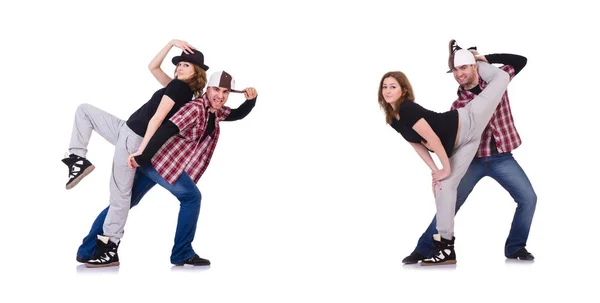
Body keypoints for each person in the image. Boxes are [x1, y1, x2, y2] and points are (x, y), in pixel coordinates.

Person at [79, 70, 257, 267]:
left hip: (160, 162)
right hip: (158, 162)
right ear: (208, 89)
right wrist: (142, 156)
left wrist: (251, 101)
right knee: (191, 197)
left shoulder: (214, 110)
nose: (220, 96)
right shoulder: (196, 108)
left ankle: (88, 250)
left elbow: (237, 114)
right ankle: (182, 252)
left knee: (126, 202)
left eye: (225, 92)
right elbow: (167, 129)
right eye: (216, 89)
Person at [63, 39, 208, 267]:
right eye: (179, 64)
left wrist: (142, 151)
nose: (180, 67)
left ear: (196, 72)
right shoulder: (177, 87)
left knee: (120, 197)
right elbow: (152, 67)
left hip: (135, 139)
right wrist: (171, 44)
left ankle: (110, 248)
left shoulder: (179, 88)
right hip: (125, 129)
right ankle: (77, 158)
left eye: (186, 65)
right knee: (85, 111)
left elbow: (157, 119)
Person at [401, 41, 536, 264]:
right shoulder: (458, 104)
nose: (459, 73)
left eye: (463, 67)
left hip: (501, 156)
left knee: (528, 198)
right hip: (472, 161)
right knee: (448, 203)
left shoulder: (496, 81)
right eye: (455, 70)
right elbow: (452, 140)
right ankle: (424, 248)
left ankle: (515, 248)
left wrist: (485, 58)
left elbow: (520, 61)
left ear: (474, 66)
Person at [378, 52, 510, 265]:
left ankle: (472, 59)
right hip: (465, 143)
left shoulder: (407, 108)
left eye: (393, 86)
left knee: (502, 78)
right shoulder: (393, 119)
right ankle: (446, 249)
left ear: (403, 90)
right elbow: (417, 145)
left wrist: (445, 168)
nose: (388, 90)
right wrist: (435, 172)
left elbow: (433, 140)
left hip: (469, 120)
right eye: (384, 86)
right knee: (444, 187)